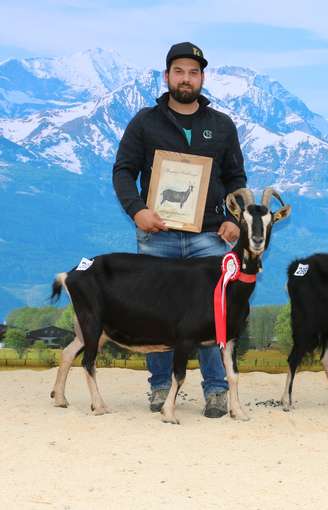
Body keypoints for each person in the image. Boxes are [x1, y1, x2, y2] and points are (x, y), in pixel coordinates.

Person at [112, 42, 246, 418]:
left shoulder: (222, 126)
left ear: (202, 78)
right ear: (167, 75)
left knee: (215, 312)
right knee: (156, 311)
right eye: (179, 71)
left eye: (194, 72)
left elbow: (236, 178)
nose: (186, 79)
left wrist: (233, 219)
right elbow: (123, 171)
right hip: (158, 234)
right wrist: (137, 210)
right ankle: (159, 388)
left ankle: (217, 390)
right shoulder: (144, 122)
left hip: (210, 236)